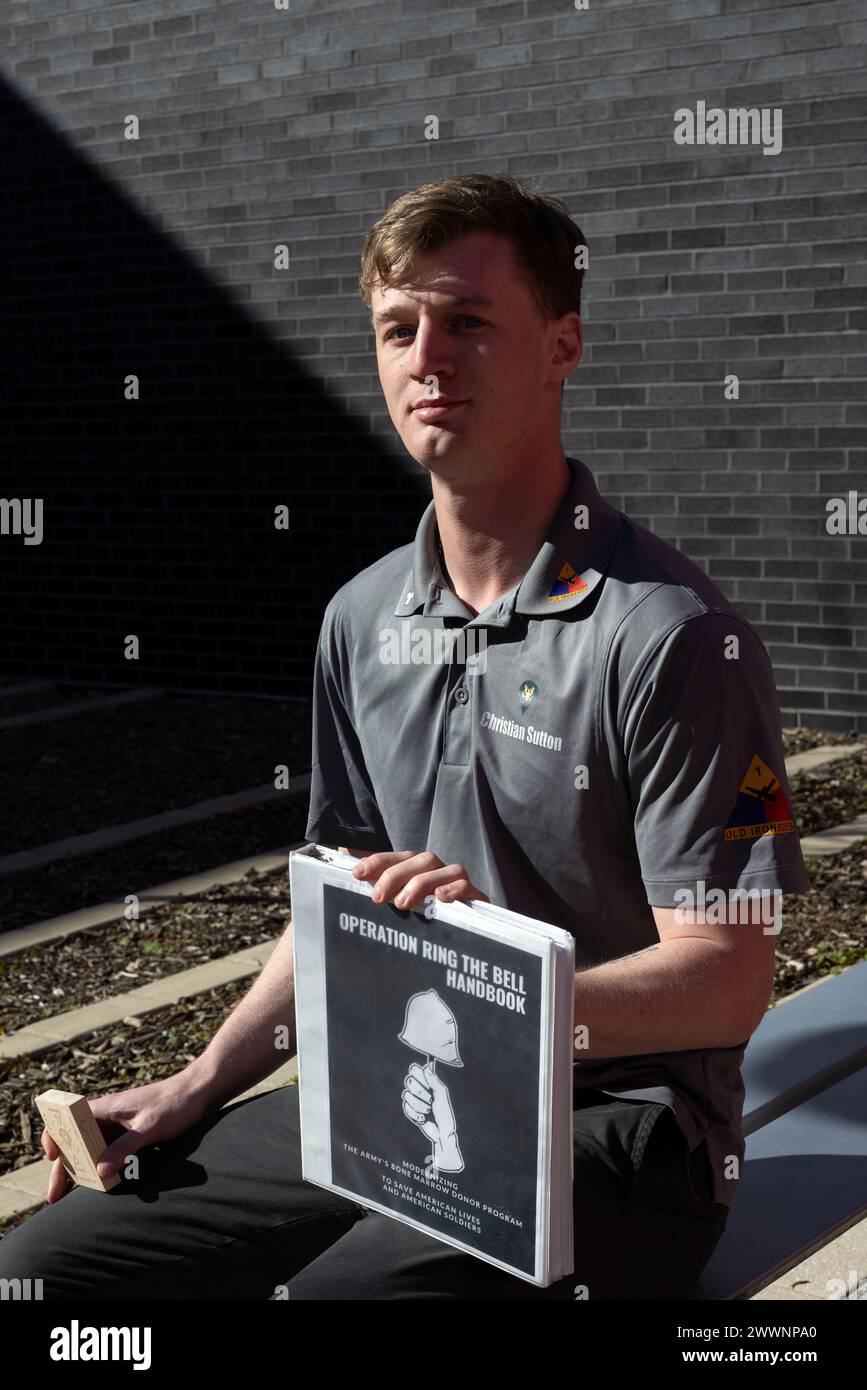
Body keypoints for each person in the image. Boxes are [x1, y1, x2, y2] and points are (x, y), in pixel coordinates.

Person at [0, 173, 811, 1300]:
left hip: (623, 1128)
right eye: (399, 327)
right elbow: (331, 903)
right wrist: (198, 1080)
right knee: (44, 1272)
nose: (427, 357)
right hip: (402, 1079)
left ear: (561, 346)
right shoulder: (362, 615)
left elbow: (729, 979)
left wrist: (478, 974)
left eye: (469, 323)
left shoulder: (669, 635)